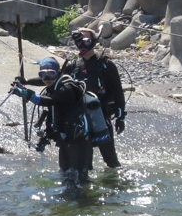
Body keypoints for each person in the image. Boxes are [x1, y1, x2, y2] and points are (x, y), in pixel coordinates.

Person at [11, 57, 91, 184]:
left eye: (51, 74)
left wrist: (26, 93)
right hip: (64, 138)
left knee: (79, 177)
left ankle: (84, 201)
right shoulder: (55, 83)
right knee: (65, 173)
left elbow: (50, 101)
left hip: (78, 141)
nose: (47, 78)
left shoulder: (67, 88)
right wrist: (25, 82)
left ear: (58, 74)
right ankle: (69, 198)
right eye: (43, 74)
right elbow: (44, 82)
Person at [61, 28, 126, 170]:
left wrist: (120, 118)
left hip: (102, 116)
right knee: (85, 160)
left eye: (87, 40)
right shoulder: (73, 66)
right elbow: (55, 84)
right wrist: (26, 83)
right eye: (79, 41)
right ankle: (87, 187)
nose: (83, 45)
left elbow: (118, 93)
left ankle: (117, 187)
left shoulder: (106, 65)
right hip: (80, 118)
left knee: (110, 159)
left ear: (94, 42)